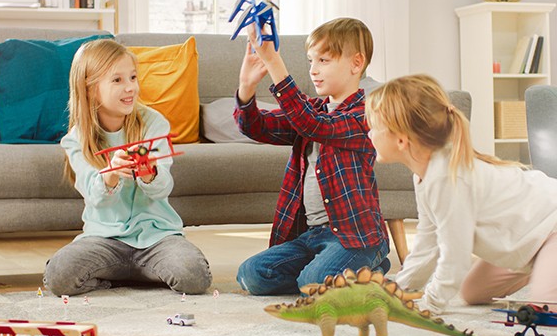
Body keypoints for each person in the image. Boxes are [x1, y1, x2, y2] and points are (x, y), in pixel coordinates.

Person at [365, 74, 557, 314]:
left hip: (551, 226)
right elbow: (428, 244)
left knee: (545, 309)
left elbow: (455, 256)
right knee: (472, 292)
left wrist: (431, 305)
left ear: (402, 140)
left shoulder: (448, 178)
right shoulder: (424, 175)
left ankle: (549, 272)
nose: (369, 134)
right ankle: (545, 269)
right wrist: (395, 291)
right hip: (527, 240)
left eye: (373, 128)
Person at [234, 18, 390, 295]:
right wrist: (246, 87)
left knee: (313, 283)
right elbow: (255, 127)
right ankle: (345, 272)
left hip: (354, 236)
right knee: (251, 275)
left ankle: (367, 265)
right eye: (311, 61)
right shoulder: (313, 110)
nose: (314, 70)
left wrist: (273, 62)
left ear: (356, 64)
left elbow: (313, 125)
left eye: (324, 61)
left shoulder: (364, 115)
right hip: (312, 235)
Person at [44, 39, 212, 296]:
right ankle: (137, 277)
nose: (130, 88)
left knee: (194, 276)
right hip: (103, 240)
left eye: (132, 77)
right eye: (117, 80)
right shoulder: (76, 139)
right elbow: (93, 196)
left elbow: (162, 188)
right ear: (89, 88)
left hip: (157, 238)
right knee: (58, 276)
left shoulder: (153, 123)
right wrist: (109, 177)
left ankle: (141, 272)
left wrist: (150, 175)